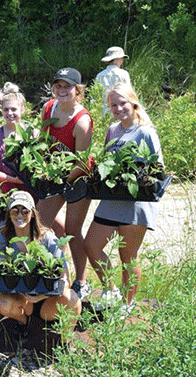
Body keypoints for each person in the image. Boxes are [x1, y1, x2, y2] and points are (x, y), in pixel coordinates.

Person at [84, 83, 161, 312]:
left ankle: (127, 305)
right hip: (112, 200)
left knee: (127, 255)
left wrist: (137, 177)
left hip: (136, 202)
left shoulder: (145, 131)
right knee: (92, 246)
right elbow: (108, 161)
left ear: (133, 102)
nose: (118, 108)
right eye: (113, 105)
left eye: (122, 103)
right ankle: (111, 291)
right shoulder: (113, 130)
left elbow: (157, 167)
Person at [37, 68, 94, 299]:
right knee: (39, 224)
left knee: (72, 230)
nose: (62, 90)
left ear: (77, 90)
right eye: (58, 85)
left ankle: (81, 281)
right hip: (54, 174)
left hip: (78, 179)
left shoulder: (82, 122)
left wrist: (59, 179)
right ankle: (49, 271)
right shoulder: (48, 108)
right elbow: (42, 141)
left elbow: (81, 162)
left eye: (67, 86)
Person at [0, 191, 82, 325]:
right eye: (14, 211)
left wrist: (42, 295)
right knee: (2, 303)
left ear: (33, 213)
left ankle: (65, 342)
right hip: (21, 300)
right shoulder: (3, 239)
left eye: (25, 211)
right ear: (8, 214)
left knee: (72, 298)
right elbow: (0, 272)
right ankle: (23, 323)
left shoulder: (47, 239)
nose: (19, 215)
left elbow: (65, 279)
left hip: (47, 302)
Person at [0, 82, 32, 194]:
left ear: (22, 110)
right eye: (6, 110)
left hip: (30, 189)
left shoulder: (33, 133)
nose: (10, 113)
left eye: (14, 109)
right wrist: (14, 180)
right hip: (3, 189)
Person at [95, 46, 131, 115]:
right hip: (120, 111)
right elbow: (129, 94)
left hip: (103, 112)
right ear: (117, 59)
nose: (122, 61)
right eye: (122, 59)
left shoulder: (99, 75)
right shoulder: (124, 74)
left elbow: (95, 97)